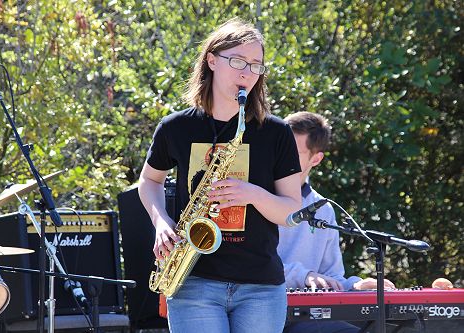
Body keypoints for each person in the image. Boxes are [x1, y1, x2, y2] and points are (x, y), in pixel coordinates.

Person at [138, 18, 302, 333]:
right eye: (238, 60)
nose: (247, 73)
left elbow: (292, 211)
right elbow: (149, 181)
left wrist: (253, 194)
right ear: (212, 60)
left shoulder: (277, 132)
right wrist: (160, 222)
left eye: (256, 65)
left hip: (261, 288)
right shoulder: (176, 127)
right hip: (194, 281)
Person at [278, 111, 395, 333]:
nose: (280, 156)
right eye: (278, 146)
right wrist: (302, 276)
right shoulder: (255, 195)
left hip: (301, 318)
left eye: (292, 151)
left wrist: (354, 286)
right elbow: (248, 264)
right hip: (256, 309)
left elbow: (331, 276)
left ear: (316, 159)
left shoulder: (323, 209)